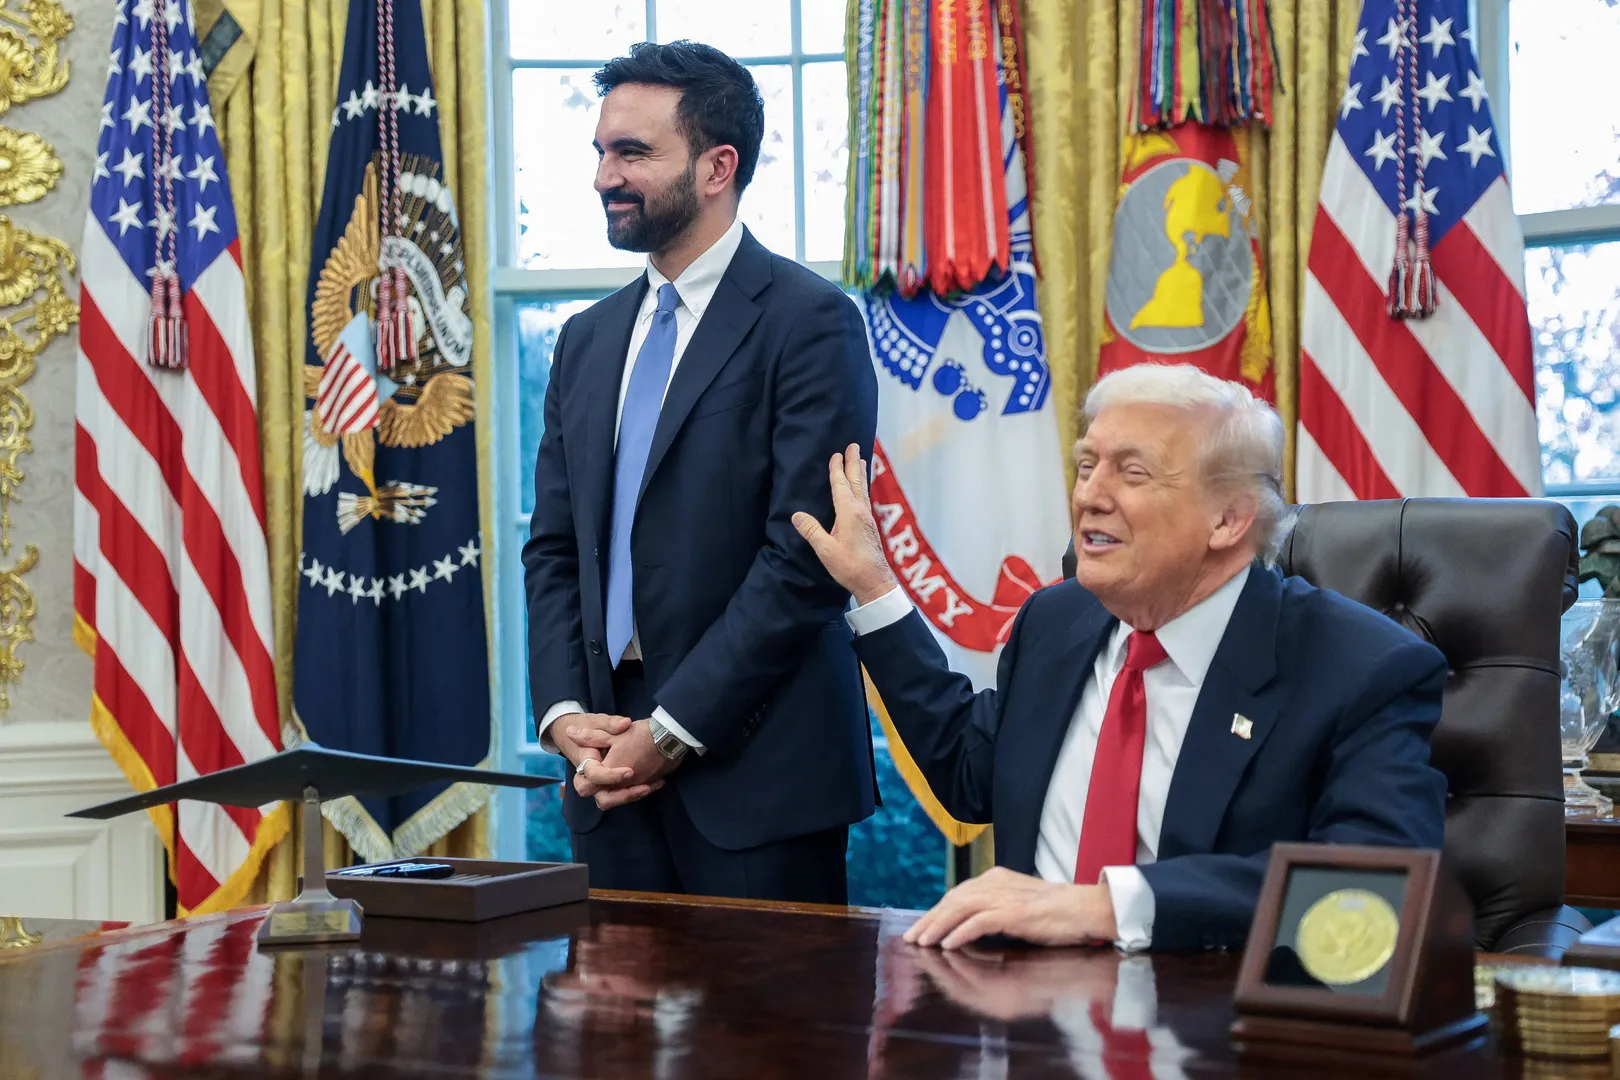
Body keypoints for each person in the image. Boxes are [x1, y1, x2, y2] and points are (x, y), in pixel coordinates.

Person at [793, 363, 1447, 950]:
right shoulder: (1056, 621)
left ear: (1228, 519)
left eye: (1132, 473)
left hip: (1207, 1019)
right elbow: (969, 772)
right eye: (1086, 466)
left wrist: (1103, 908)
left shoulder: (1361, 668)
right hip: (1023, 1013)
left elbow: (1368, 888)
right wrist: (873, 585)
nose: (1090, 496)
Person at [522, 40, 878, 903]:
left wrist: (672, 730)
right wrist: (565, 715)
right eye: (601, 151)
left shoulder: (811, 322)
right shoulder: (585, 341)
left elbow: (803, 561)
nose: (604, 176)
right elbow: (555, 550)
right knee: (611, 1000)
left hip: (760, 778)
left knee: (766, 1005)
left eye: (632, 153)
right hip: (606, 774)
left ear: (718, 167)